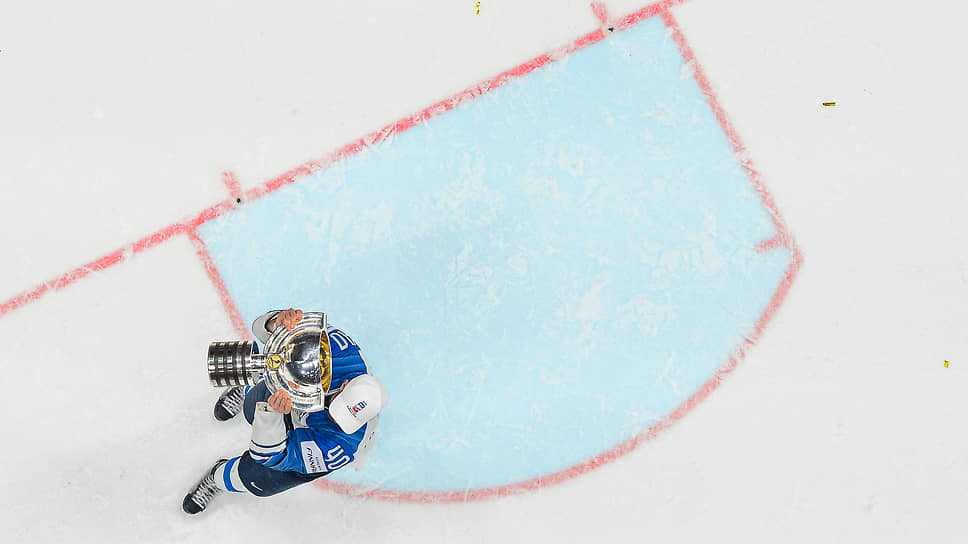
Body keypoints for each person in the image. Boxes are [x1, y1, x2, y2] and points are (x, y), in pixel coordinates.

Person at [183, 308, 388, 514]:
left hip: (310, 442)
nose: (333, 417)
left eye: (342, 419)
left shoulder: (342, 445)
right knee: (255, 404)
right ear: (344, 385)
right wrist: (276, 323)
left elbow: (268, 456)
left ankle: (216, 479)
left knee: (256, 480)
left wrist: (271, 415)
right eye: (336, 406)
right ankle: (247, 389)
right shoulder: (337, 351)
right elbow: (267, 338)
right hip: (291, 396)